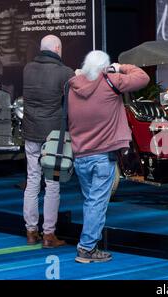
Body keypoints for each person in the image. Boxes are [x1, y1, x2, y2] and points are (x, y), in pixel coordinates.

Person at [68, 50, 149, 263]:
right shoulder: (111, 81)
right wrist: (119, 67)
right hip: (102, 156)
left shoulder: (72, 85)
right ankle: (86, 248)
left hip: (80, 155)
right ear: (104, 67)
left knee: (90, 201)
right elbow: (142, 77)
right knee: (97, 202)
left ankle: (90, 243)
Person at [22, 35, 74, 247]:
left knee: (32, 181)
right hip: (54, 138)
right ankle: (48, 235)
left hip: (31, 132)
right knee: (52, 185)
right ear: (58, 49)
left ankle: (31, 232)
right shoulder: (65, 73)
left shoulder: (27, 69)